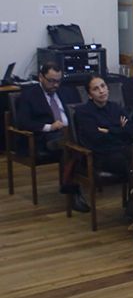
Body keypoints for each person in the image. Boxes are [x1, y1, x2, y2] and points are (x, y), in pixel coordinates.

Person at [15, 62, 87, 211]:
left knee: (74, 144)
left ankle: (71, 183)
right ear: (41, 77)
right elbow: (23, 122)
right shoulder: (29, 95)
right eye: (51, 80)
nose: (55, 85)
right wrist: (49, 127)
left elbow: (79, 112)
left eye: (58, 81)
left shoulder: (67, 91)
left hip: (70, 132)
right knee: (70, 146)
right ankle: (74, 192)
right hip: (44, 137)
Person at [74, 75, 133, 179]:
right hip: (101, 155)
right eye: (96, 89)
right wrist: (120, 129)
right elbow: (95, 138)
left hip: (122, 149)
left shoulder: (115, 107)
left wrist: (109, 130)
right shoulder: (83, 112)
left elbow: (132, 129)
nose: (101, 91)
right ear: (90, 95)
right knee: (131, 163)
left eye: (103, 86)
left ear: (107, 88)